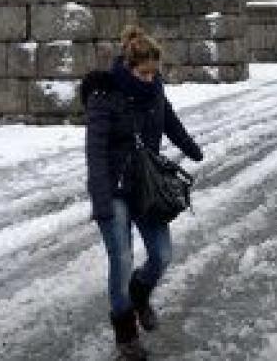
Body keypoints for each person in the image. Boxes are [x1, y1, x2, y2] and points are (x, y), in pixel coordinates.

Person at [81, 26, 203, 361]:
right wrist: (101, 202)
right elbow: (95, 153)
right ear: (129, 66)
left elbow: (170, 121)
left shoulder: (155, 90)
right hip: (114, 188)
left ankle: (139, 294)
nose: (150, 79)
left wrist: (191, 148)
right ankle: (126, 334)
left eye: (154, 73)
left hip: (146, 186)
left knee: (161, 255)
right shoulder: (104, 95)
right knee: (121, 260)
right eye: (144, 73)